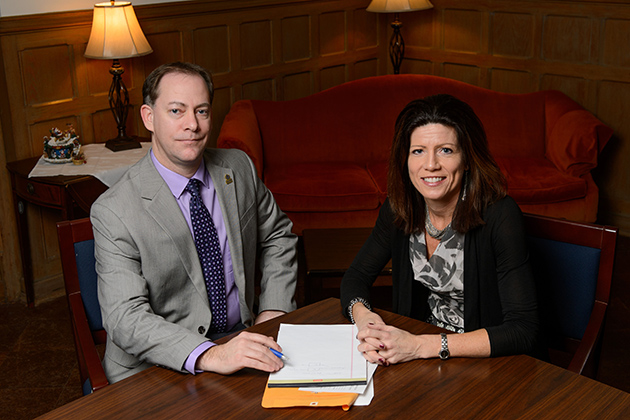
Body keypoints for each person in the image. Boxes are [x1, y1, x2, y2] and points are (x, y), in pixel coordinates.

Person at [91, 62, 298, 384]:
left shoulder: (238, 167)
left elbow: (278, 236)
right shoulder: (114, 210)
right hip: (157, 364)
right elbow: (125, 318)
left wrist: (273, 309)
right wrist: (209, 354)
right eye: (176, 111)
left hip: (243, 338)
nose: (192, 125)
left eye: (201, 111)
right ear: (149, 117)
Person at [340, 94, 539, 366]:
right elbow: (356, 276)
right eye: (418, 151)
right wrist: (366, 320)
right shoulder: (399, 207)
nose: (430, 164)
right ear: (405, 160)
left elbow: (523, 330)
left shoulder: (500, 215)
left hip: (485, 363)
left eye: (445, 150)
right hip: (422, 356)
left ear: (467, 159)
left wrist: (420, 345)